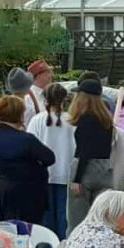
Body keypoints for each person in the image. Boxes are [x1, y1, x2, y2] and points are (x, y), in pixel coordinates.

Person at [0, 95, 56, 226]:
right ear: (20, 114)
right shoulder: (26, 139)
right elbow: (49, 158)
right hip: (28, 194)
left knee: (8, 229)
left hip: (3, 191)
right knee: (29, 231)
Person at [67, 78, 115, 229]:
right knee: (102, 220)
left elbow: (84, 151)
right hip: (104, 169)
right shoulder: (106, 121)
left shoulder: (85, 120)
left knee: (77, 220)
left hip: (84, 170)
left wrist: (77, 179)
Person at [31, 82, 75, 238]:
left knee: (46, 213)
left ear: (45, 99)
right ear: (64, 99)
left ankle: (48, 244)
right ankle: (63, 243)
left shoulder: (37, 120)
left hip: (43, 174)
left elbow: (31, 146)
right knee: (64, 215)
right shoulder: (72, 121)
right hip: (66, 173)